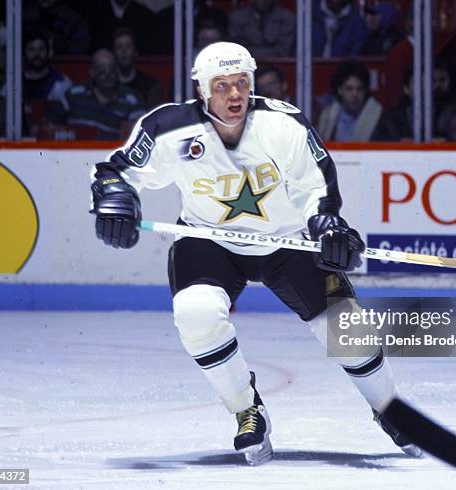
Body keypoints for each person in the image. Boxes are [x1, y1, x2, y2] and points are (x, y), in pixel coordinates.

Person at [88, 42, 421, 465]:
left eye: (241, 83)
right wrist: (115, 199)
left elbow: (316, 187)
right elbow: (115, 172)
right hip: (208, 242)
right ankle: (247, 410)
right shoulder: (168, 128)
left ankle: (390, 408)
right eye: (221, 85)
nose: (233, 95)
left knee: (345, 327)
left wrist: (327, 225)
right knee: (195, 312)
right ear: (202, 90)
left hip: (285, 241)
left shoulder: (283, 124)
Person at [49, 48, 145, 140]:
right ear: (92, 72)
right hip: (74, 152)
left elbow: (141, 134)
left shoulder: (132, 100)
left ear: (117, 70)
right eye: (100, 68)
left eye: (111, 67)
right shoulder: (73, 95)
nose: (107, 73)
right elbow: (49, 125)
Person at [316, 61, 383, 141]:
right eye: (349, 89)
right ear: (340, 90)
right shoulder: (327, 116)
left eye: (359, 89)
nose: (355, 94)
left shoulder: (379, 118)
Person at [112, 27, 163, 110]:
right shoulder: (106, 86)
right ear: (113, 53)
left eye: (128, 46)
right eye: (119, 47)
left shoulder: (150, 87)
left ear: (135, 52)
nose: (124, 51)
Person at [229, 0, 295, 58]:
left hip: (279, 68)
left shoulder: (287, 17)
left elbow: (283, 51)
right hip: (245, 67)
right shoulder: (237, 18)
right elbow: (238, 52)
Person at [372, 67, 413, 141]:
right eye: (418, 83)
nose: (423, 87)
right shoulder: (390, 117)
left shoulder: (438, 114)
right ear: (406, 89)